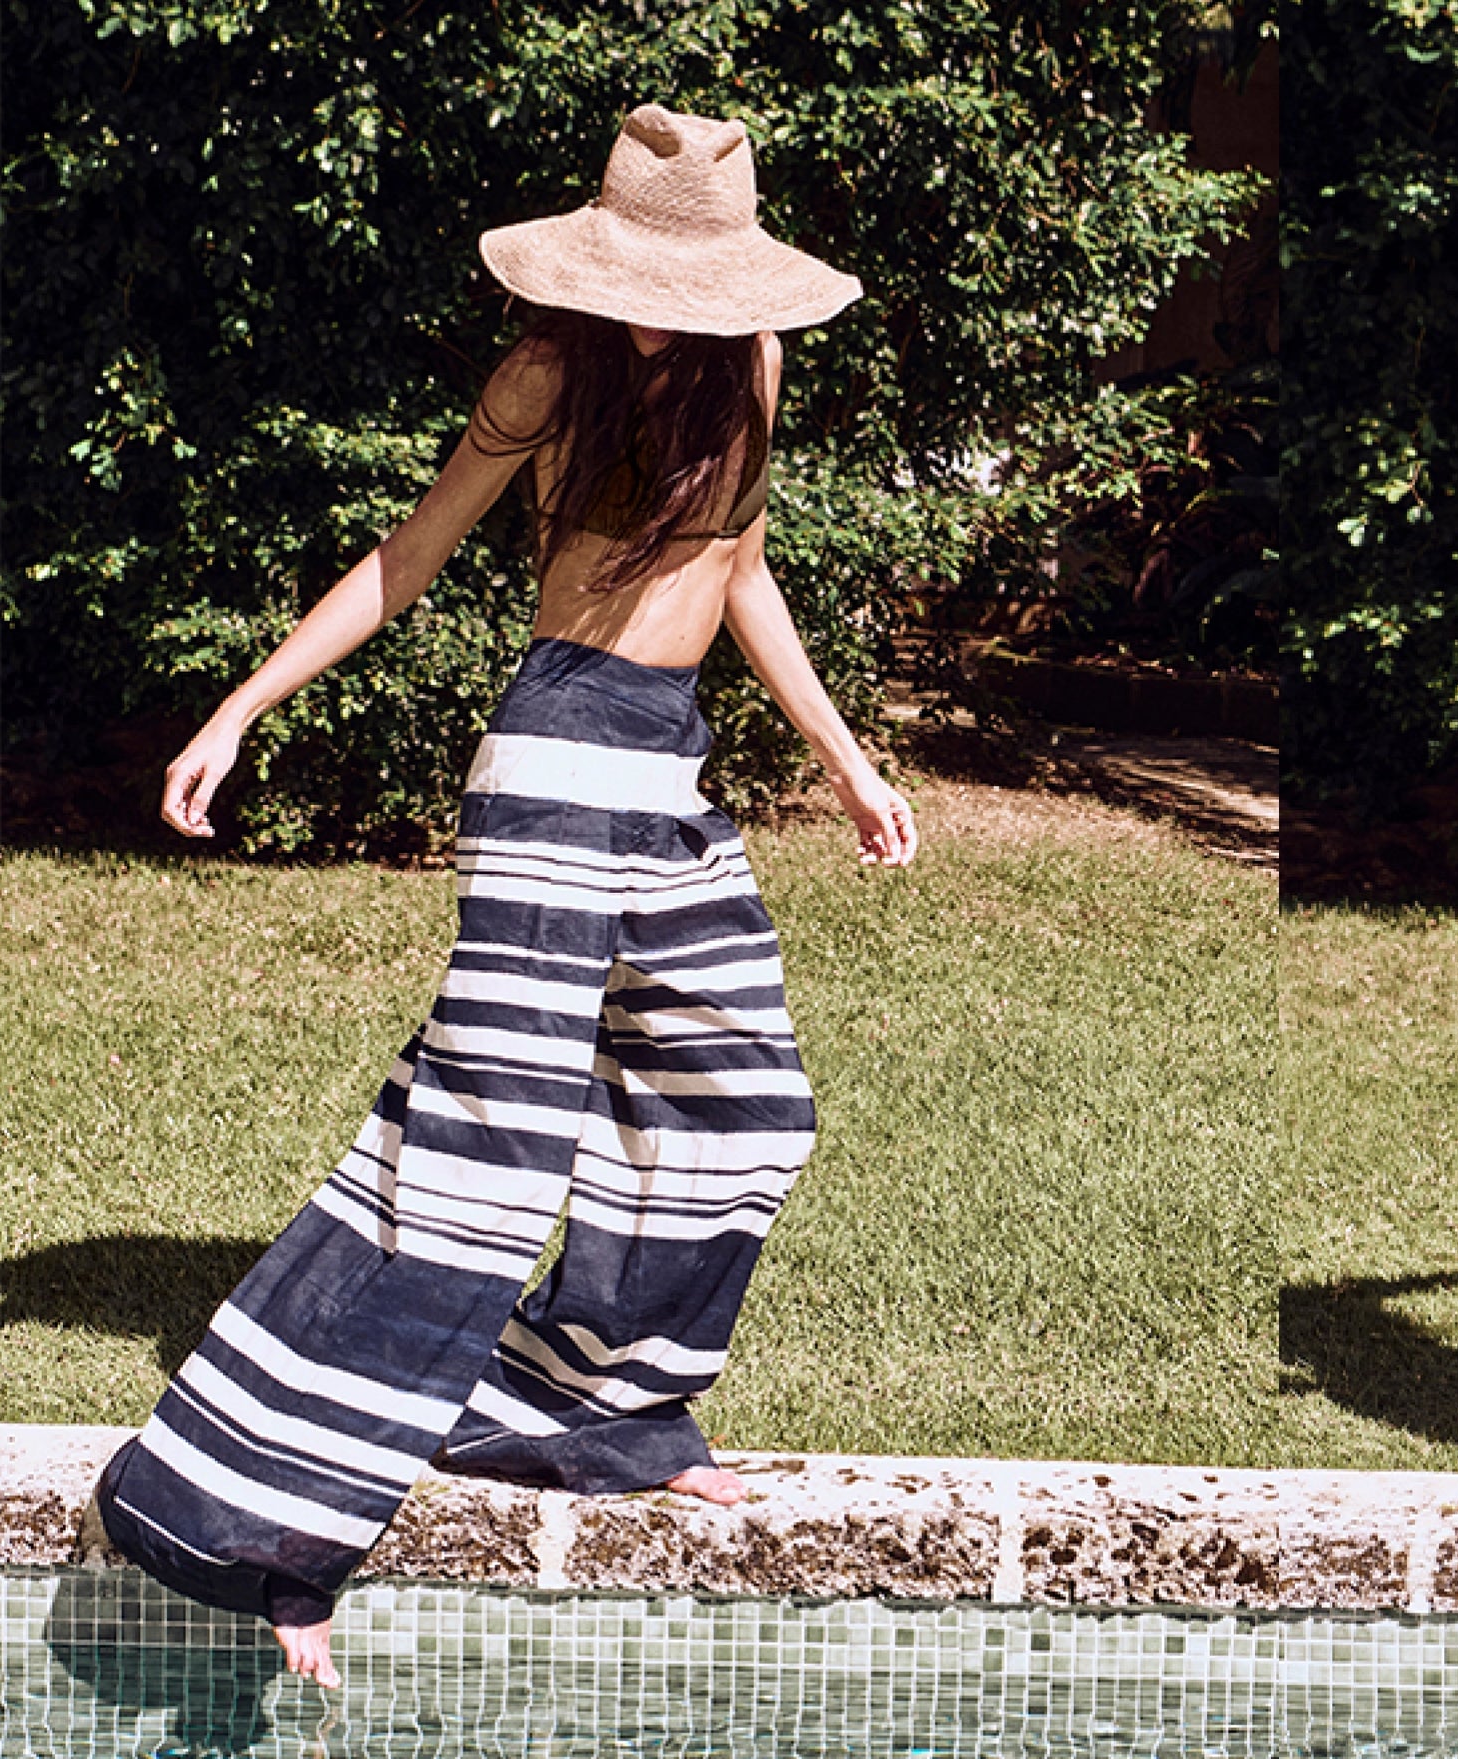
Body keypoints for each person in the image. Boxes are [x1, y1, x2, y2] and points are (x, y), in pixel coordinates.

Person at [97, 105, 913, 1687]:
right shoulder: (548, 374)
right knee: (479, 1153)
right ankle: (270, 1526)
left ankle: (587, 1411)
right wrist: (238, 706)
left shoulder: (756, 357)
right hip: (552, 763)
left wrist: (846, 756)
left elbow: (737, 566)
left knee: (745, 1104)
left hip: (666, 768)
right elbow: (409, 557)